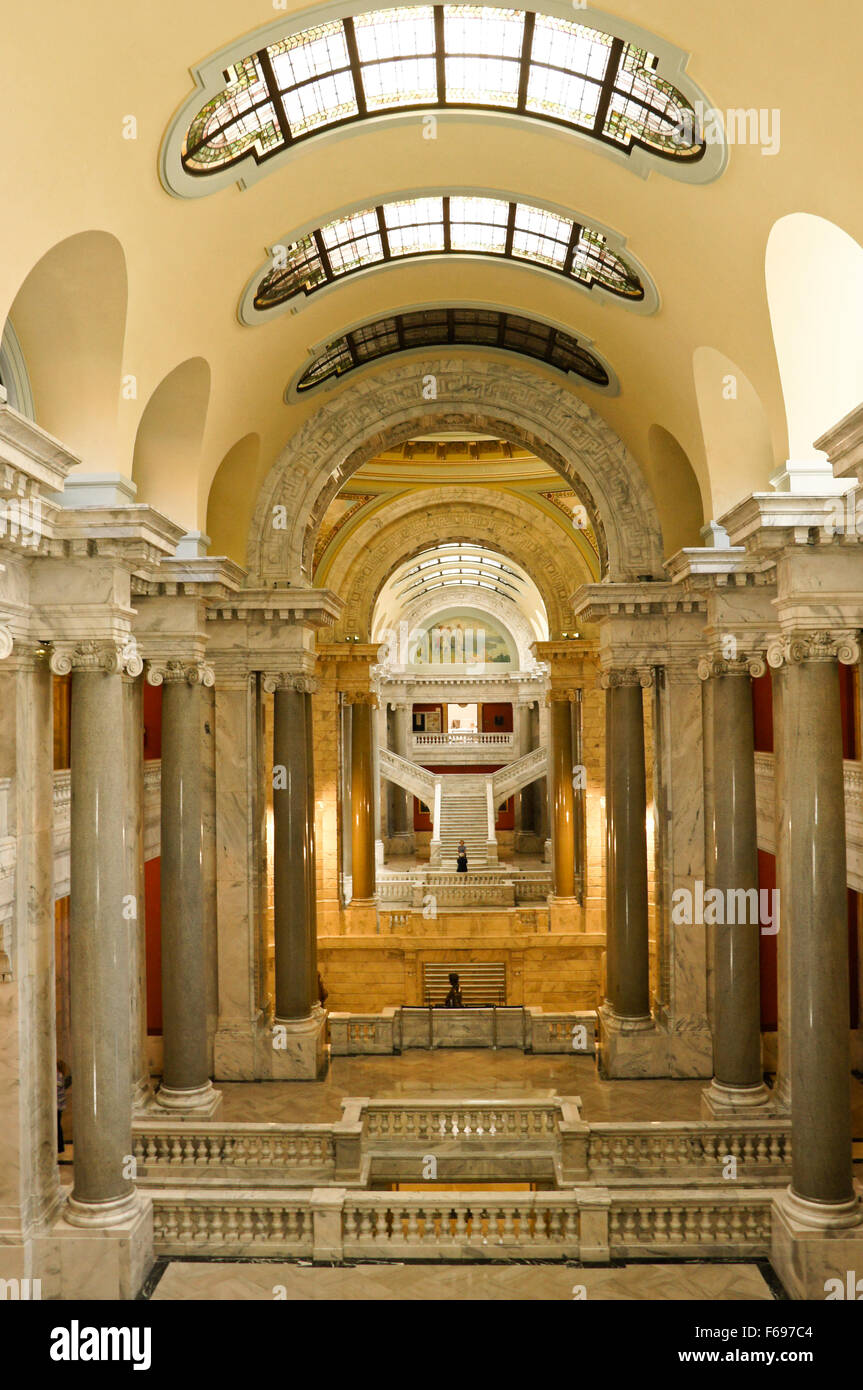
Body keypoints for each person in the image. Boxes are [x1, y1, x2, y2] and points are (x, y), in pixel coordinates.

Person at [57, 1061, 72, 1154]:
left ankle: (59, 1146)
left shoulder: (58, 1076)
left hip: (57, 1106)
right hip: (59, 1106)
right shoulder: (60, 1076)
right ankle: (60, 1146)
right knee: (58, 1126)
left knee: (57, 1127)